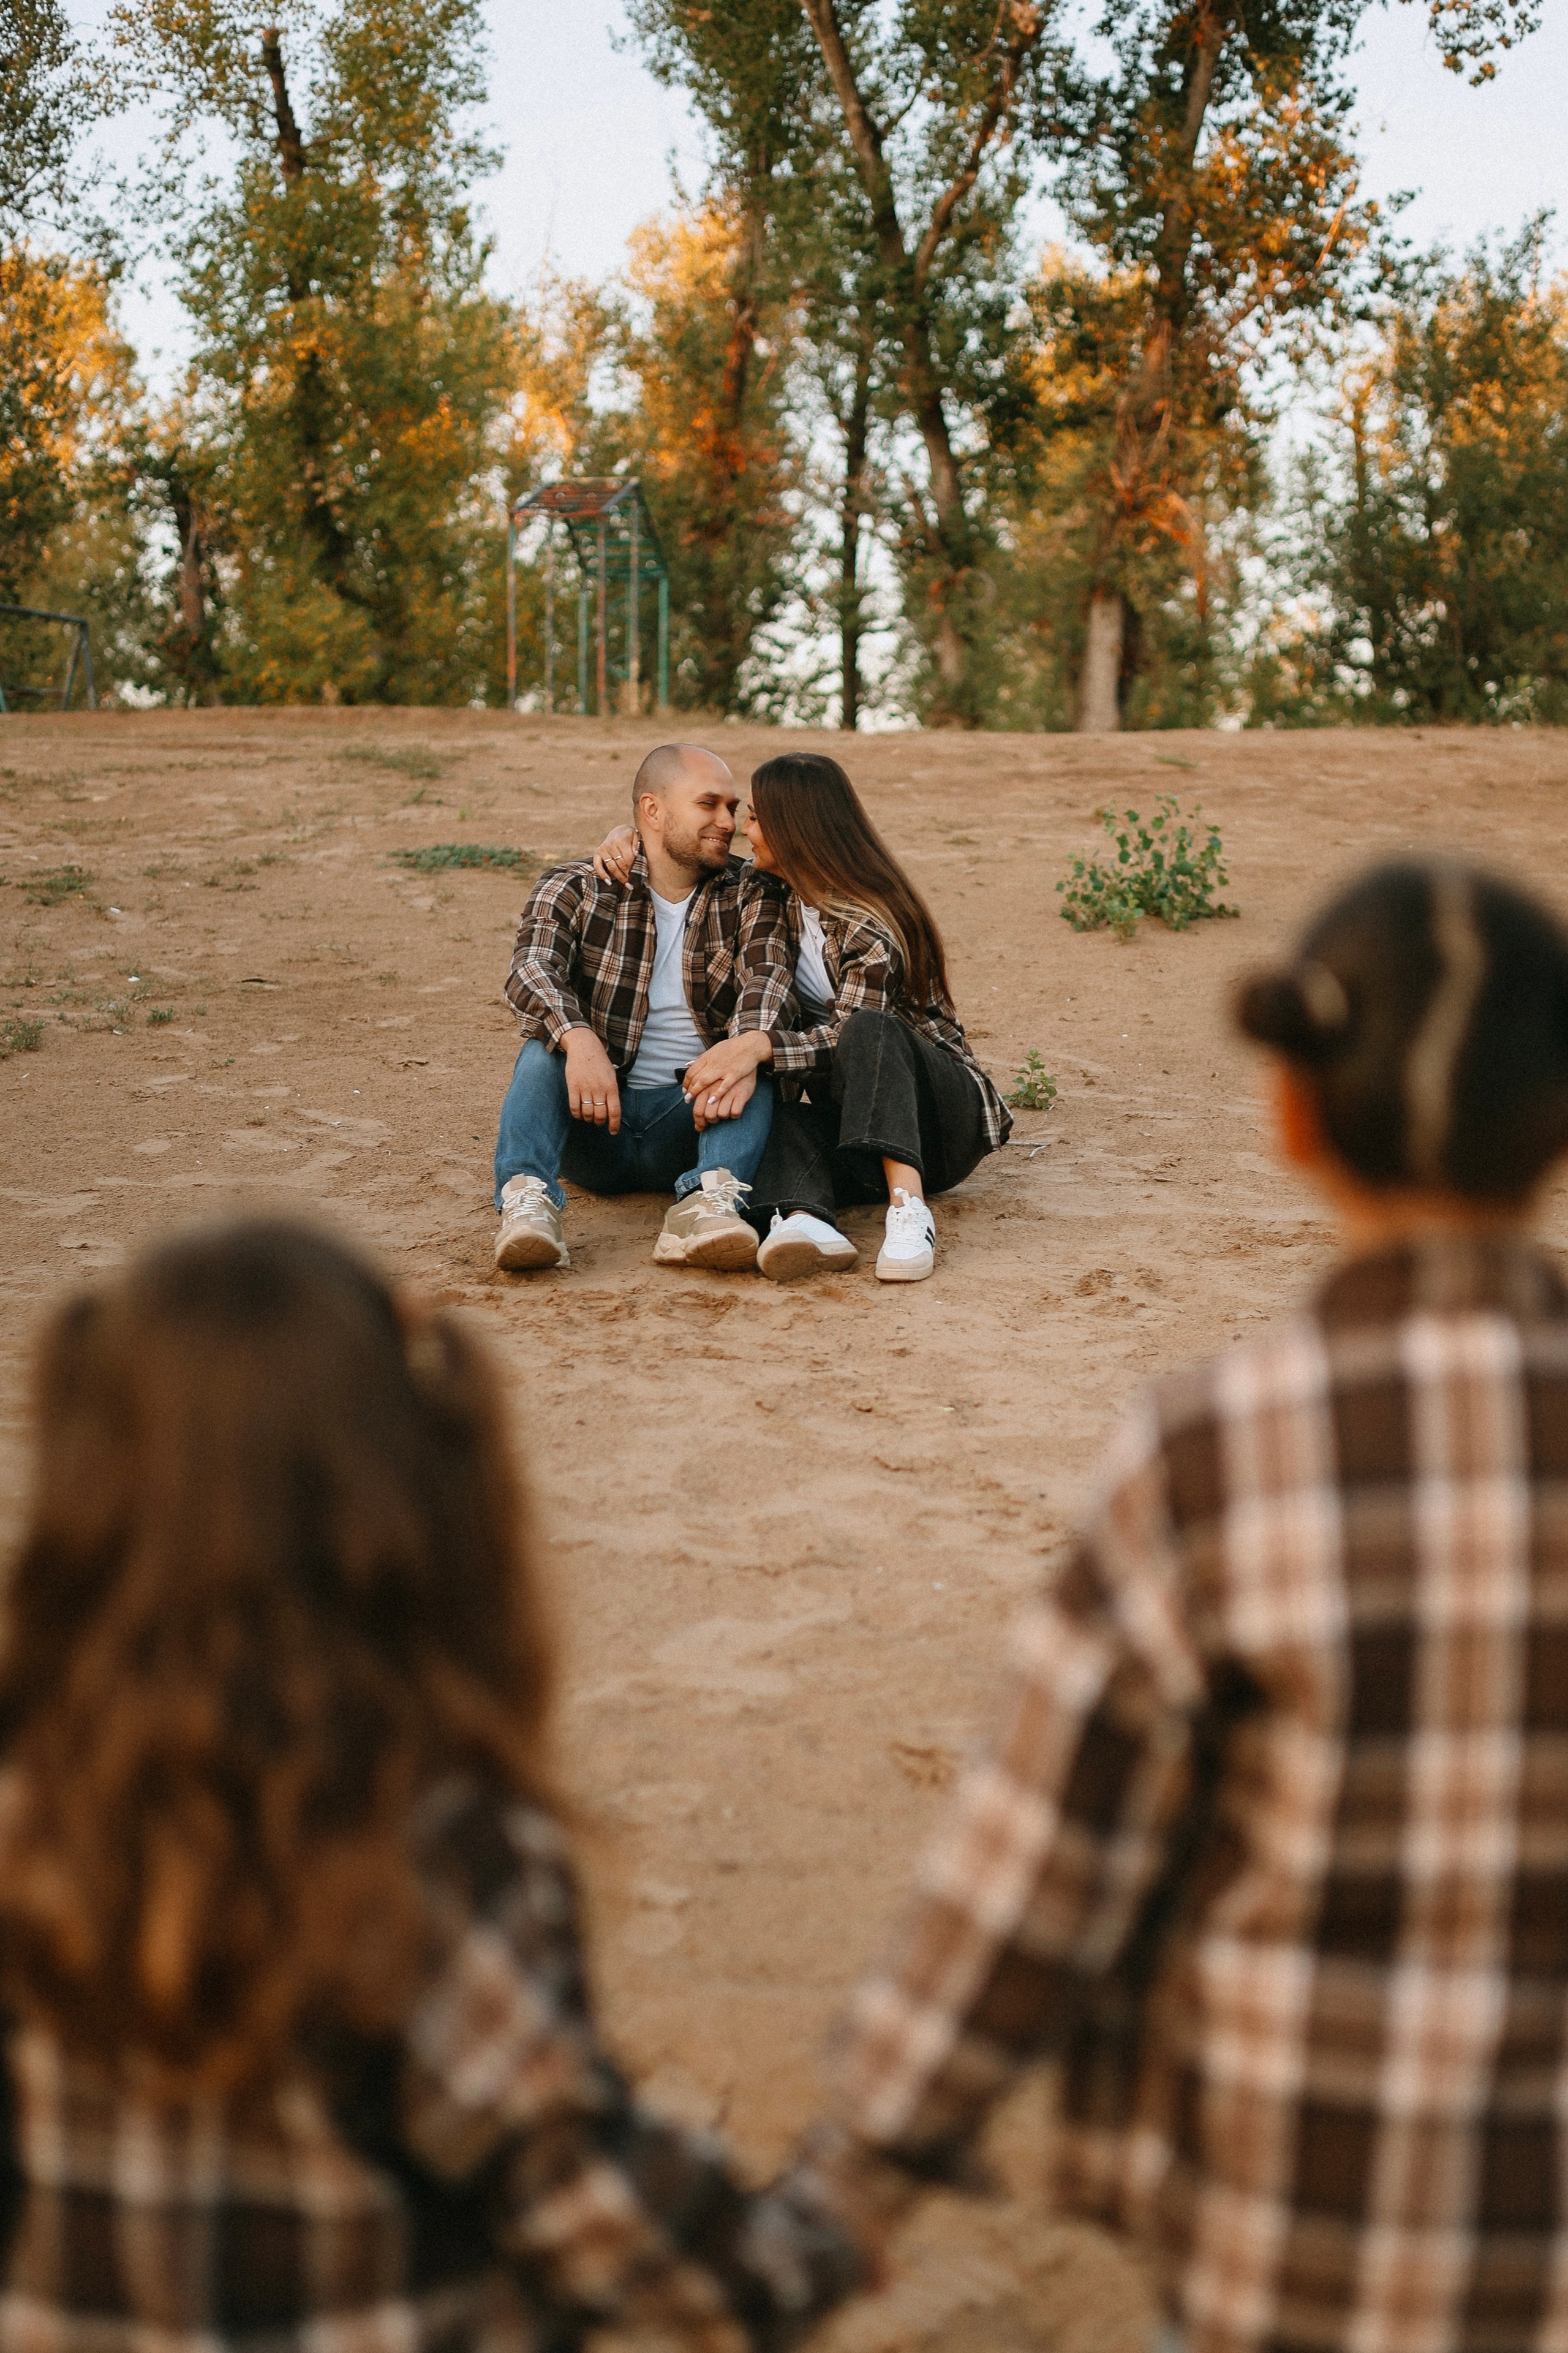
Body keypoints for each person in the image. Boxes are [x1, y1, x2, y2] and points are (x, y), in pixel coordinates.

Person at [770, 859, 1568, 2353]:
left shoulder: (1217, 1455)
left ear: (1290, 1112)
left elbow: (1032, 1880)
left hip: (1280, 2237)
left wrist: (852, 2181)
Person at [0, 1217, 862, 2350]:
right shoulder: (436, 1849)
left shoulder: (27, 1808)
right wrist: (821, 2235)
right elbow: (608, 2224)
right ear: (402, 1510)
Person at [594, 753, 1011, 1285]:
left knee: (867, 1029)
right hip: (861, 1128)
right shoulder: (778, 897)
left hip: (937, 1125)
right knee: (775, 1111)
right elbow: (692, 860)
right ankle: (806, 1220)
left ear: (794, 828)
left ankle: (909, 1210)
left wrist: (760, 1046)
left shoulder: (873, 918)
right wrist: (630, 838)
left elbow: (855, 1032)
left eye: (755, 817)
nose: (741, 829)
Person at [494, 743, 793, 1275]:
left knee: (754, 1060)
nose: (729, 822)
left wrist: (746, 1048)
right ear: (652, 810)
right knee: (543, 1052)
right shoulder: (576, 885)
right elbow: (531, 968)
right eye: (708, 804)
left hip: (696, 1121)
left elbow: (768, 980)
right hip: (595, 1116)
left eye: (732, 808)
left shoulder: (751, 893)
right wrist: (580, 1039)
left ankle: (709, 1205)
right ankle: (528, 1205)